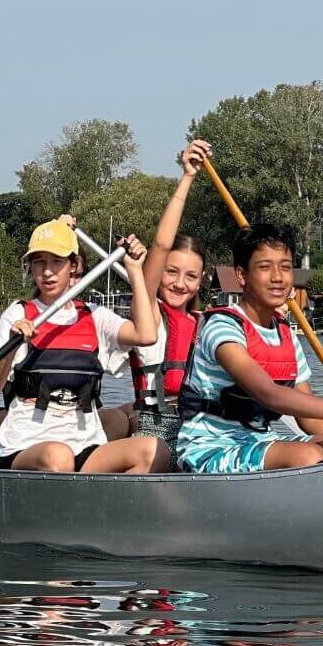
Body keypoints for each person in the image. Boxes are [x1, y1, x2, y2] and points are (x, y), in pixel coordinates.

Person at [176, 223, 323, 474]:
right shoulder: (223, 327)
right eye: (265, 267)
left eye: (285, 267)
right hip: (207, 448)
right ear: (242, 275)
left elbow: (309, 416)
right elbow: (269, 395)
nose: (277, 277)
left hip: (260, 441)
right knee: (309, 455)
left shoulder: (285, 334)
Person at [0, 220, 168, 473]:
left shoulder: (94, 316)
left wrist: (134, 270)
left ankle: (100, 499)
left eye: (56, 262)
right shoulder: (17, 314)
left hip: (84, 446)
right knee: (59, 456)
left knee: (153, 450)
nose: (47, 272)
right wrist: (11, 348)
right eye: (39, 262)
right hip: (26, 446)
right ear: (31, 267)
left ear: (73, 266)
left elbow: (145, 335)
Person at [126, 139, 211, 463]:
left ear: (201, 281)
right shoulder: (148, 311)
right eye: (171, 272)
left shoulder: (207, 324)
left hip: (202, 428)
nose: (179, 283)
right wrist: (188, 176)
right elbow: (161, 244)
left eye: (190, 276)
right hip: (157, 427)